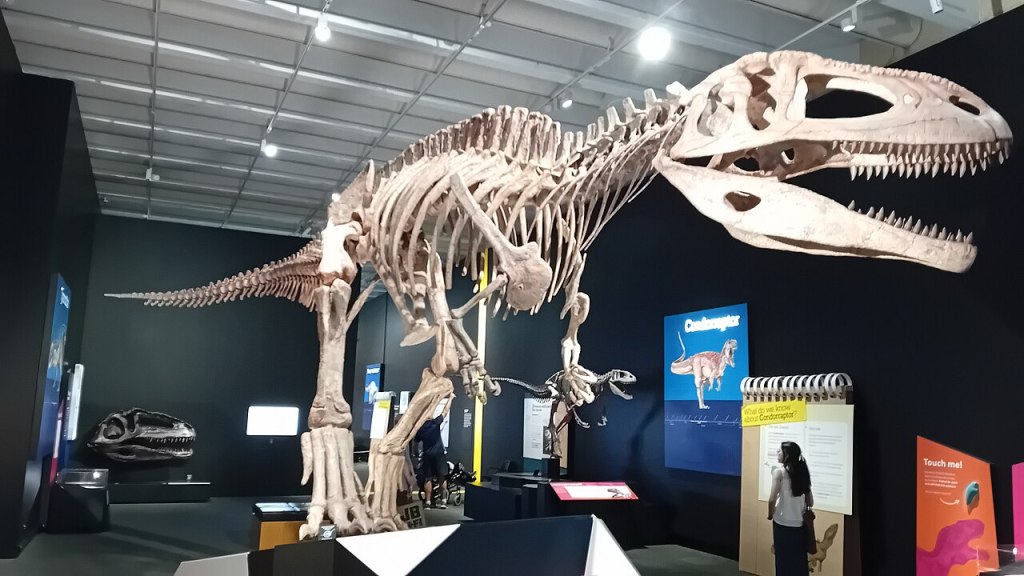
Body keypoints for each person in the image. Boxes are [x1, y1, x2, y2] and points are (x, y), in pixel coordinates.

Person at [768, 441, 813, 576]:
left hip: (782, 523)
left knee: (783, 561)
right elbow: (811, 501)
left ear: (787, 455)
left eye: (780, 451)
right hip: (799, 524)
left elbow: (772, 499)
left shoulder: (779, 472)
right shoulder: (803, 472)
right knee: (798, 560)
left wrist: (770, 514)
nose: (777, 453)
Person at [414, 413, 448, 509]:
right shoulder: (435, 423)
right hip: (439, 454)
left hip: (427, 455)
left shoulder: (421, 429)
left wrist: (416, 453)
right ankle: (443, 501)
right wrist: (449, 403)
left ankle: (428, 502)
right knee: (442, 477)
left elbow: (415, 444)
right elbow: (445, 412)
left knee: (428, 478)